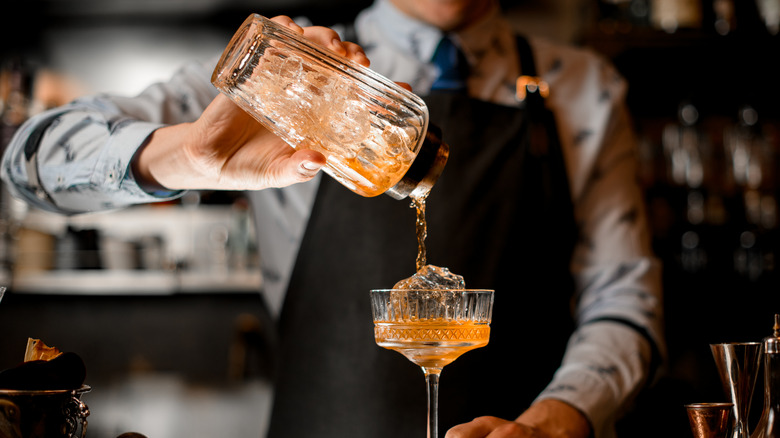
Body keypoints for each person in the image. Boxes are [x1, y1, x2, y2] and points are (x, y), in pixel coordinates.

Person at [1, 0, 664, 437]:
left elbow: (625, 304)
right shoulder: (287, 71)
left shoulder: (583, 87)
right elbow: (27, 161)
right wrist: (189, 155)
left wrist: (557, 422)